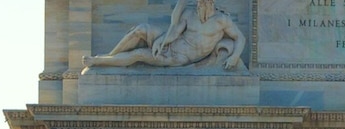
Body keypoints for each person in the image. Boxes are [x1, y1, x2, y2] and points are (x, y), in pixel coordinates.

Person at [85, 0, 246, 70]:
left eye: (202, 3)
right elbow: (175, 31)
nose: (199, 6)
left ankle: (100, 61)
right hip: (171, 44)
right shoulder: (190, 14)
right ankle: (111, 54)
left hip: (180, 58)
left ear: (211, 3)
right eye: (198, 3)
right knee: (140, 29)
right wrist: (160, 41)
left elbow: (240, 38)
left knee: (139, 54)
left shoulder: (222, 20)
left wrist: (234, 56)